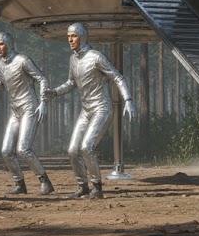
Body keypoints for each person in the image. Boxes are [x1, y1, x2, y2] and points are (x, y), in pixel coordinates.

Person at [47, 23, 135, 199]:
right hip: (86, 111)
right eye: (68, 36)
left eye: (73, 36)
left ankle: (97, 187)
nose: (70, 40)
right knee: (72, 150)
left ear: (82, 37)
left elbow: (117, 76)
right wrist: (55, 92)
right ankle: (82, 187)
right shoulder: (73, 60)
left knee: (86, 147)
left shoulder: (95, 57)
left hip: (102, 108)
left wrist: (128, 100)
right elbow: (71, 83)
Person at [0, 32, 55, 195]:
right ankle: (20, 184)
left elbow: (42, 79)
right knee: (6, 151)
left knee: (23, 149)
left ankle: (45, 182)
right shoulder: (1, 65)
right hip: (15, 111)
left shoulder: (23, 60)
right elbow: (1, 85)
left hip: (29, 107)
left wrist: (43, 102)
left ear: (9, 44)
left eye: (1, 44)